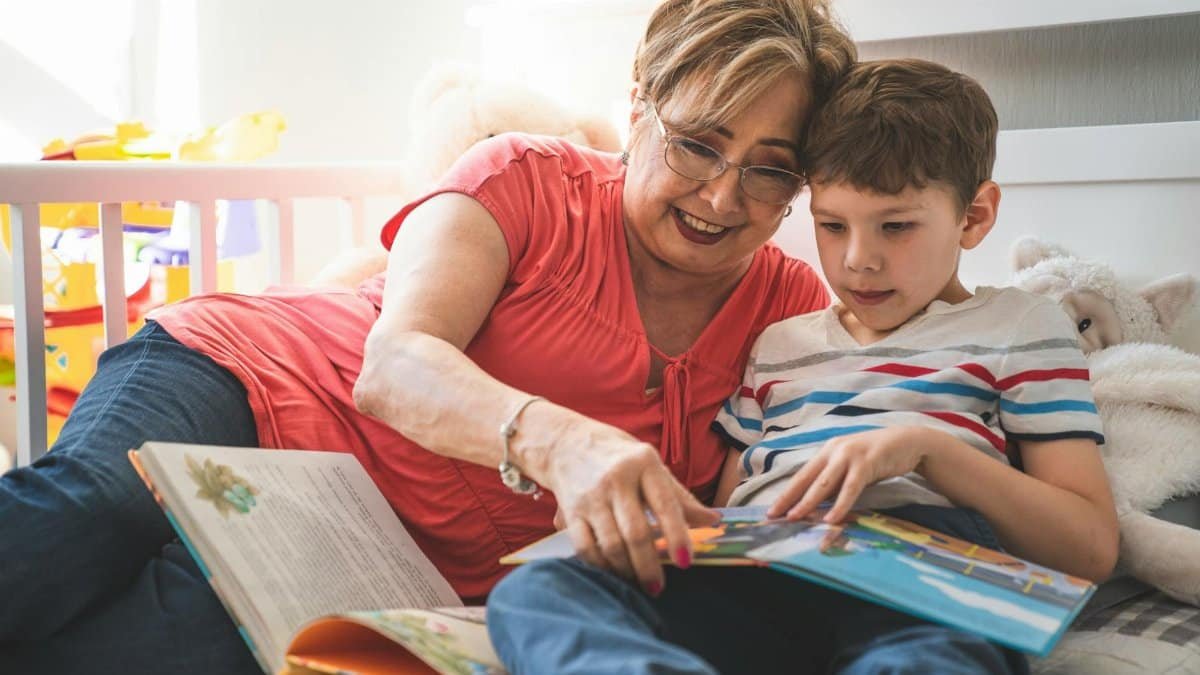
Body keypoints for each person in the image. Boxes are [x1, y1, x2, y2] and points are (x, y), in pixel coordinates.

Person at [0, 1, 856, 672]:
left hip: (369, 552)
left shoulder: (793, 314)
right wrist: (558, 438)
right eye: (698, 146)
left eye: (769, 168)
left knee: (176, 645)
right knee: (87, 517)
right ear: (637, 106)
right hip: (248, 378)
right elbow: (395, 364)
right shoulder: (523, 175)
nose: (719, 197)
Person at [487, 59, 1120, 674]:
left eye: (895, 226)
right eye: (832, 225)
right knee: (537, 592)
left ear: (974, 217)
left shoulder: (1020, 328)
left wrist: (926, 452)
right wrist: (647, 522)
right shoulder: (779, 343)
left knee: (932, 660)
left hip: (920, 582)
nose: (858, 261)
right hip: (764, 570)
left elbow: (1088, 548)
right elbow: (725, 504)